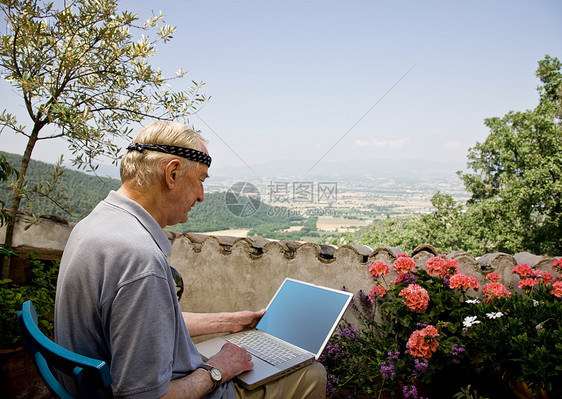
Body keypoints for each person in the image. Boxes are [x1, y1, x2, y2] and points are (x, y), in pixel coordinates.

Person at [54, 121, 326, 399]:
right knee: (311, 374)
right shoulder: (140, 259)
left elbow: (143, 322)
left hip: (90, 389)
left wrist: (227, 322)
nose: (201, 196)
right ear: (172, 173)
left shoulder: (96, 224)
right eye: (201, 180)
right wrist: (217, 369)